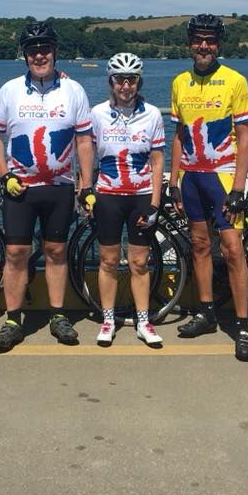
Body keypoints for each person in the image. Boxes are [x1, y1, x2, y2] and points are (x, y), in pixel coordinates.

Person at [0, 20, 94, 350]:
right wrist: (5, 175)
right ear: (25, 56)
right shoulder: (10, 90)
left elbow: (85, 140)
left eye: (45, 49)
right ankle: (12, 319)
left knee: (56, 251)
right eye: (33, 51)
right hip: (21, 187)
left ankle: (58, 316)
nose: (39, 55)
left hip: (60, 186)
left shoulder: (73, 90)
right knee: (16, 252)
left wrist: (86, 185)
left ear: (55, 52)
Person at [168, 13, 248, 361]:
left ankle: (243, 325)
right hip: (191, 177)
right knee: (201, 246)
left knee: (233, 250)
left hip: (222, 178)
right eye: (198, 39)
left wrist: (238, 187)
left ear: (219, 44)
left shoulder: (235, 80)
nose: (204, 46)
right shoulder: (179, 82)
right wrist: (174, 181)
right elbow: (178, 135)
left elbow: (246, 137)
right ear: (190, 42)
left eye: (210, 40)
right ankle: (206, 312)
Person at [90, 52, 165, 346]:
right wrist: (85, 190)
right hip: (107, 195)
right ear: (111, 82)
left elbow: (158, 160)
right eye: (120, 80)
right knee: (108, 261)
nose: (125, 86)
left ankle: (143, 321)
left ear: (138, 82)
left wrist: (155, 203)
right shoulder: (97, 114)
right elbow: (85, 152)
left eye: (131, 80)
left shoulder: (153, 114)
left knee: (139, 262)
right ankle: (108, 319)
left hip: (140, 196)